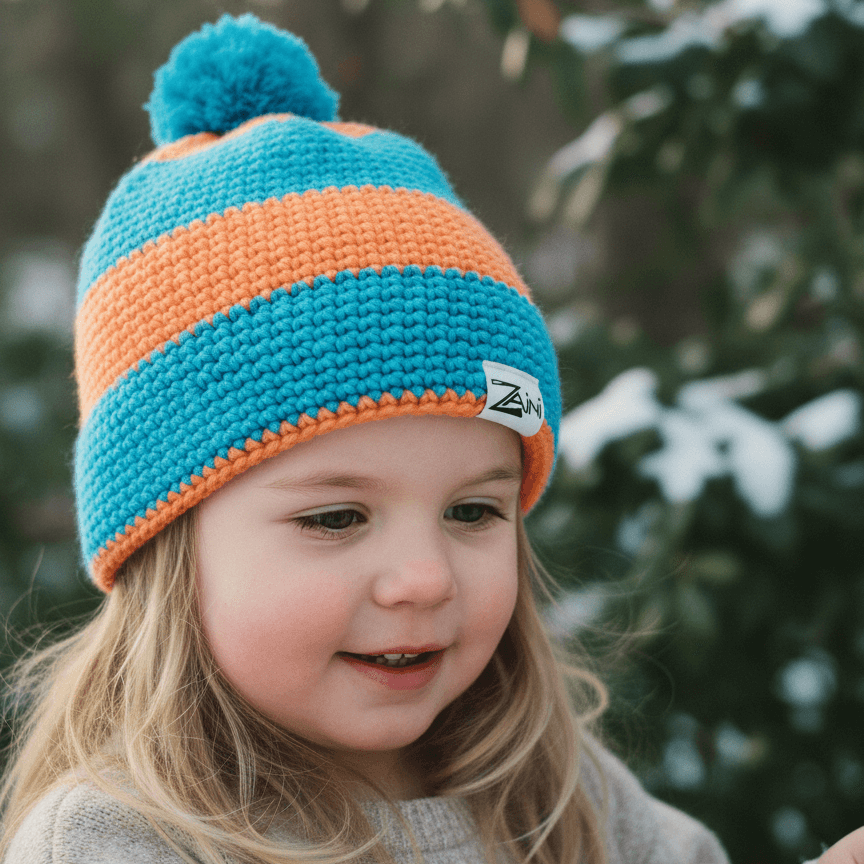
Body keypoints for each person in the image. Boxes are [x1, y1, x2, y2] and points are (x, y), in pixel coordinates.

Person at [0, 13, 855, 864]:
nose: (425, 579)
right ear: (161, 537)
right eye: (336, 518)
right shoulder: (117, 840)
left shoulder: (554, 793)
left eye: (474, 510)